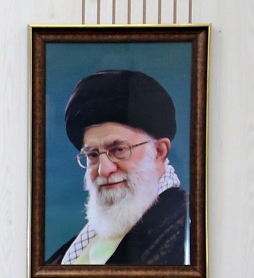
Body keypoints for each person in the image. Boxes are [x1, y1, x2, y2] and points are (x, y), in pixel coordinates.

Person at [46, 69, 189, 266]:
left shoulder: (184, 227)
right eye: (93, 155)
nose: (104, 170)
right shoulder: (87, 239)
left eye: (119, 150)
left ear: (158, 151)